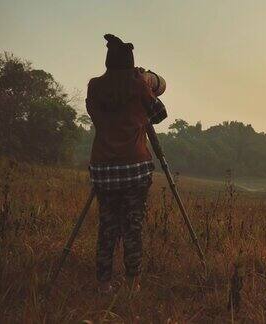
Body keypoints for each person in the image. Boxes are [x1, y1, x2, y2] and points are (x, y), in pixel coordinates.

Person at [86, 34, 162, 294]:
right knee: (133, 226)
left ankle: (103, 282)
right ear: (131, 65)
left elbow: (95, 113)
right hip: (134, 169)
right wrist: (147, 86)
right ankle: (133, 282)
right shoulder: (138, 87)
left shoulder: (94, 87)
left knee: (107, 226)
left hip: (103, 168)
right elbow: (160, 115)